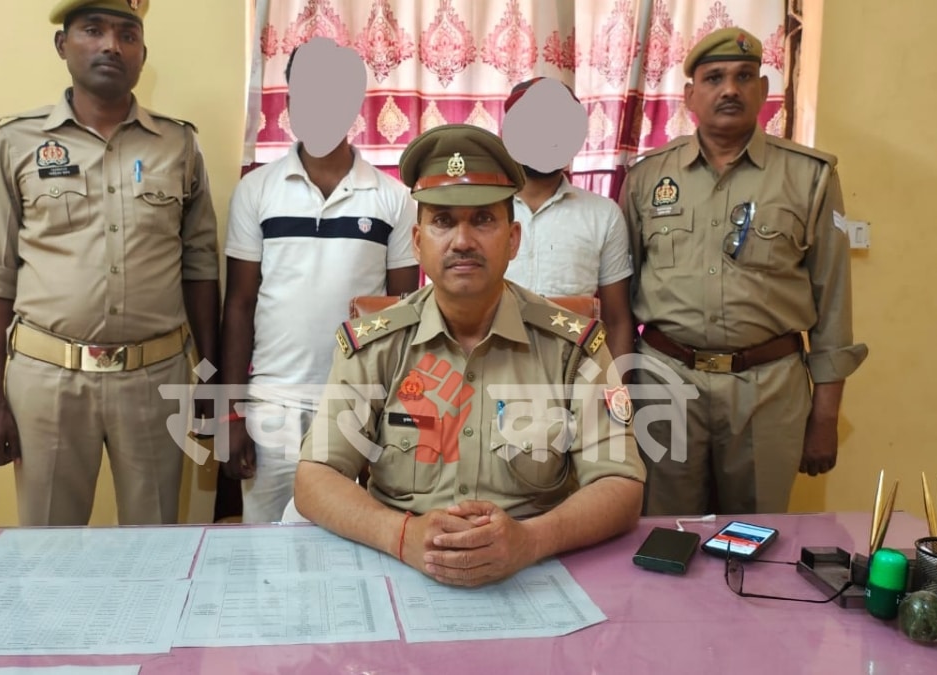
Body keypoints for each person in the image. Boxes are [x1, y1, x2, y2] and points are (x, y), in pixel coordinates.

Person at [293, 124, 645, 588]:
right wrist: (402, 536)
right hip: (401, 570)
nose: (462, 240)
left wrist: (530, 541)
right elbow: (315, 477)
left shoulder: (571, 347)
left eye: (482, 220)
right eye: (443, 221)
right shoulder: (376, 345)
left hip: (534, 574)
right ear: (417, 242)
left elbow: (620, 484)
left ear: (513, 239)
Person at [0, 0, 221, 526]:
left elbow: (199, 269)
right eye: (93, 30)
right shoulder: (15, 143)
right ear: (63, 45)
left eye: (127, 35)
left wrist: (210, 378)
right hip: (48, 381)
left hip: (155, 380)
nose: (111, 45)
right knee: (49, 549)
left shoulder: (178, 144)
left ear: (142, 54)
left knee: (155, 546)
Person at [620, 27, 868, 516]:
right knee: (665, 531)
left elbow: (834, 301)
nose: (730, 89)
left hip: (768, 391)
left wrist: (825, 416)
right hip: (666, 384)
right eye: (714, 78)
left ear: (763, 89)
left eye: (744, 76)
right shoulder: (647, 177)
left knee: (755, 537)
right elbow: (621, 297)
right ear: (690, 95)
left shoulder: (809, 177)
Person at [220, 37, 419, 523]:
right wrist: (232, 413)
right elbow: (239, 305)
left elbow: (404, 314)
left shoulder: (393, 199)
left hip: (357, 403)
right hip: (273, 403)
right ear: (289, 102)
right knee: (266, 545)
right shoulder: (256, 190)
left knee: (349, 539)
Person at [501, 77, 634, 363]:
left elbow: (617, 320)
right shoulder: (481, 212)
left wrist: (615, 387)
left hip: (575, 375)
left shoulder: (603, 214)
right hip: (491, 370)